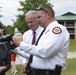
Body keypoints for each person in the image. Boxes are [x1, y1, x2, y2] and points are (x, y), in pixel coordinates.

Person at [13, 5, 70, 75]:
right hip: (34, 72)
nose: (38, 20)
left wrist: (21, 44)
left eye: (39, 17)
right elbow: (33, 56)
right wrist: (14, 47)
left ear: (48, 15)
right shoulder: (46, 31)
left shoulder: (58, 30)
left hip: (48, 73)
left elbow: (46, 52)